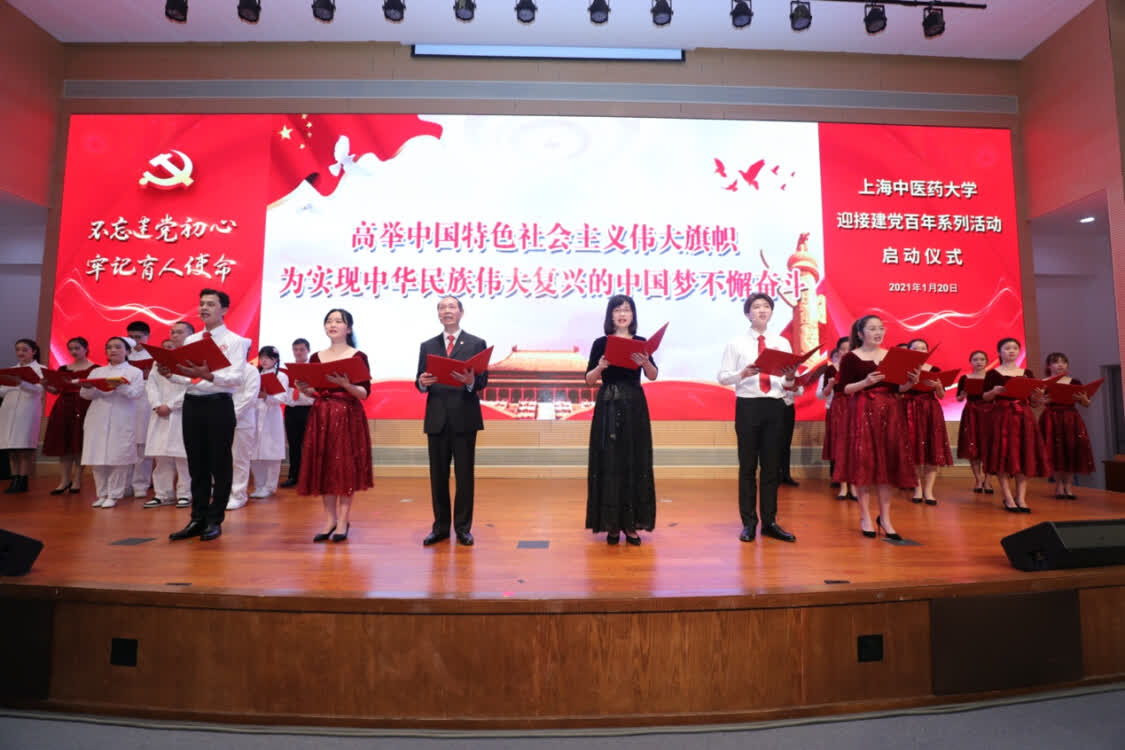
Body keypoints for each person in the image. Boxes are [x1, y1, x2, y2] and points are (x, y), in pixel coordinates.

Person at [167, 289, 250, 542]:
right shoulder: (191, 340)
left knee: (220, 464)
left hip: (218, 405)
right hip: (192, 404)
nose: (204, 308)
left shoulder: (236, 341)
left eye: (211, 304)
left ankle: (215, 519)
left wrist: (209, 375)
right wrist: (170, 373)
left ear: (224, 309)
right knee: (196, 463)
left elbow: (236, 378)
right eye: (202, 304)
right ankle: (197, 518)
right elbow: (185, 377)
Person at [717, 293, 798, 543]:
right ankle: (749, 523)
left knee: (772, 468)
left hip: (775, 406)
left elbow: (787, 384)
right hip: (748, 406)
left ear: (771, 312)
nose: (762, 310)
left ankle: (770, 522)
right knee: (748, 467)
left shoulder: (782, 342)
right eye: (756, 306)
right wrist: (742, 374)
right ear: (747, 313)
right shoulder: (736, 343)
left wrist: (791, 377)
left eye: (766, 306)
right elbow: (723, 377)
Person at [835, 315, 919, 540]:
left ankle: (886, 519)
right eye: (872, 328)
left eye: (881, 328)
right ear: (860, 333)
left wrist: (910, 382)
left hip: (890, 412)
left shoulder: (893, 356)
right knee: (865, 465)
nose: (878, 332)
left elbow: (898, 389)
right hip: (862, 411)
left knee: (887, 466)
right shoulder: (851, 357)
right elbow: (844, 389)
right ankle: (865, 517)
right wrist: (866, 382)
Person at [585, 294, 658, 546]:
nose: (622, 314)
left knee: (634, 461)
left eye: (627, 309)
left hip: (634, 406)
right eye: (617, 310)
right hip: (608, 405)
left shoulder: (640, 342)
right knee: (610, 462)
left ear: (633, 315)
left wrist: (645, 362)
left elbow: (653, 375)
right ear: (611, 315)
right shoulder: (600, 343)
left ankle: (632, 525)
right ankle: (612, 525)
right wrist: (600, 367)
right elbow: (589, 380)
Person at [415, 296, 488, 547]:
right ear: (438, 314)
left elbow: (482, 381)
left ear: (461, 312)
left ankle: (463, 528)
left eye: (451, 307)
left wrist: (470, 381)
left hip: (464, 418)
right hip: (436, 418)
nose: (446, 311)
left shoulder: (476, 343)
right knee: (438, 477)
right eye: (442, 307)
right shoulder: (428, 345)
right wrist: (421, 383)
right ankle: (440, 528)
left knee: (464, 476)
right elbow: (419, 379)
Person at [297, 309, 372, 542]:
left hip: (348, 416)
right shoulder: (316, 357)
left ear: (348, 328)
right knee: (325, 467)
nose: (333, 324)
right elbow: (315, 392)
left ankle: (343, 521)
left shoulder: (357, 357)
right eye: (329, 321)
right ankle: (329, 519)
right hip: (322, 416)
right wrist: (305, 390)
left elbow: (364, 393)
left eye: (339, 321)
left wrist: (346, 384)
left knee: (344, 468)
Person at [982, 337, 1049, 513]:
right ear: (999, 352)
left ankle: (1021, 497)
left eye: (1015, 348)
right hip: (1002, 416)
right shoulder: (993, 374)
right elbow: (985, 398)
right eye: (1007, 348)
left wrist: (1038, 395)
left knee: (1024, 455)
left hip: (1023, 417)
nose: (1011, 351)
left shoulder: (1027, 373)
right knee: (1003, 455)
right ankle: (1008, 497)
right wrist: (994, 392)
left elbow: (1034, 402)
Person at [80, 337, 145, 508]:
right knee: (97, 457)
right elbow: (86, 396)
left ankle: (114, 494)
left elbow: (136, 393)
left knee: (118, 457)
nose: (113, 350)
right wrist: (87, 387)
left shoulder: (134, 372)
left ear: (127, 351)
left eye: (118, 347)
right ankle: (101, 494)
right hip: (97, 416)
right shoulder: (97, 371)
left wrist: (118, 385)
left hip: (121, 416)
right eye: (109, 347)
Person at [143, 323, 193, 508]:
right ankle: (162, 494)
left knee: (183, 457)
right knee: (161, 455)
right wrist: (157, 404)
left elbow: (193, 385)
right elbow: (151, 385)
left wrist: (171, 406)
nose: (175, 335)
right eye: (173, 332)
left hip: (182, 412)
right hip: (160, 413)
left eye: (180, 332)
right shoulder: (159, 360)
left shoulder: (192, 358)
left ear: (191, 335)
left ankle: (185, 493)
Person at [42, 336, 97, 495]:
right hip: (63, 406)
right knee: (64, 444)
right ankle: (64, 480)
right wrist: (46, 385)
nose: (74, 351)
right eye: (71, 349)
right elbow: (56, 390)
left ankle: (77, 480)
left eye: (77, 348)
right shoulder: (63, 369)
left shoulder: (95, 369)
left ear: (86, 349)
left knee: (79, 443)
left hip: (84, 405)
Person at [903, 339, 953, 506]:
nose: (920, 350)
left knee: (932, 451)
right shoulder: (904, 369)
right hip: (910, 410)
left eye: (923, 348)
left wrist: (938, 386)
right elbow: (898, 392)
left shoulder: (935, 369)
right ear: (909, 351)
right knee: (914, 451)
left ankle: (929, 491)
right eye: (915, 348)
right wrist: (911, 382)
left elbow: (941, 395)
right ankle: (917, 489)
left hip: (931, 410)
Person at [1040, 352, 1095, 500]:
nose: (1060, 365)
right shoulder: (1044, 382)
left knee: (1071, 450)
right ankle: (1058, 486)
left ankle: (1069, 487)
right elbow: (1036, 403)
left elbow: (1086, 403)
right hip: (1052, 418)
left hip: (1071, 418)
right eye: (1056, 362)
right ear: (1049, 366)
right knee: (1055, 452)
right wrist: (1042, 400)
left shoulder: (1074, 382)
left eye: (1063, 362)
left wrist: (1084, 399)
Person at [0, 338, 45, 494]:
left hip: (27, 411)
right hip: (9, 410)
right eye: (18, 350)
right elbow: (3, 391)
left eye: (25, 350)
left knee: (24, 448)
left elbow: (38, 389)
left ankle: (23, 481)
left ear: (34, 351)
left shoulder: (41, 369)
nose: (20, 353)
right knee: (11, 449)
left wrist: (19, 382)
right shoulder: (11, 369)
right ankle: (14, 480)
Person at [250, 346, 288, 499]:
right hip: (255, 414)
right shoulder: (255, 374)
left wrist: (267, 396)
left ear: (276, 359)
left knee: (271, 453)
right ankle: (259, 485)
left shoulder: (281, 376)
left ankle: (270, 486)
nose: (264, 360)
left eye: (268, 357)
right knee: (255, 453)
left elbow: (283, 397)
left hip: (271, 416)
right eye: (262, 357)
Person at [819, 337, 854, 501]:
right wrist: (831, 384)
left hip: (856, 405)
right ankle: (843, 486)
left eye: (849, 349)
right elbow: (824, 393)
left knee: (855, 446)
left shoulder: (859, 367)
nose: (846, 352)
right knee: (840, 447)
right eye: (843, 349)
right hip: (838, 406)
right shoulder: (831, 369)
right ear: (838, 351)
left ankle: (854, 486)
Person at [956, 350, 994, 495]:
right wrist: (963, 395)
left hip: (989, 412)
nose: (979, 362)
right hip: (971, 412)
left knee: (989, 447)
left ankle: (988, 480)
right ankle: (978, 479)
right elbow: (959, 399)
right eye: (975, 359)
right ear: (970, 362)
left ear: (987, 361)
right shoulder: (965, 378)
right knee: (972, 445)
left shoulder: (992, 377)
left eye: (982, 359)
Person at [227, 357, 261, 511]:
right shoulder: (223, 369)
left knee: (240, 459)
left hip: (242, 421)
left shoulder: (251, 370)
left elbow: (250, 397)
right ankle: (225, 492)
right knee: (223, 459)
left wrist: (231, 414)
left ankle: (238, 495)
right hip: (220, 420)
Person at [125, 320, 154, 499]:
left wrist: (148, 375)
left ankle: (141, 483)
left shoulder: (154, 355)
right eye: (131, 337)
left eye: (138, 337)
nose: (135, 341)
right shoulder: (123, 354)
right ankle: (125, 483)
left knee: (142, 444)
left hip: (145, 401)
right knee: (126, 444)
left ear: (147, 337)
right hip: (126, 402)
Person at [280, 337, 313, 488]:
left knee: (309, 445)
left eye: (302, 349)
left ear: (308, 351)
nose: (298, 352)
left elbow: (316, 392)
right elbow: (284, 392)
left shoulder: (313, 369)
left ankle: (309, 478)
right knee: (293, 445)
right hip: (291, 410)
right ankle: (294, 476)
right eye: (295, 349)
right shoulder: (287, 371)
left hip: (308, 410)